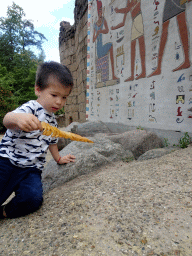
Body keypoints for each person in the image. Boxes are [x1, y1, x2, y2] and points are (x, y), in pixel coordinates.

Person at [0, 61, 76, 219]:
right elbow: (7, 119)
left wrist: (59, 158)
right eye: (54, 95)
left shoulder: (53, 121)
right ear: (38, 89)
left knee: (33, 199)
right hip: (7, 161)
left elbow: (52, 142)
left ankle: (4, 211)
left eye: (64, 97)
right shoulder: (30, 108)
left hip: (31, 170)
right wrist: (18, 118)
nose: (59, 102)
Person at [148, 0, 192, 77]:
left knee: (182, 25)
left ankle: (187, 60)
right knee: (165, 31)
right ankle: (158, 67)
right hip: (169, 2)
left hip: (177, 1)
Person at [111, 0, 146, 81]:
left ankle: (143, 71)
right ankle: (132, 75)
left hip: (138, 18)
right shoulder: (128, 1)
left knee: (140, 44)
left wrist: (118, 10)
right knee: (133, 47)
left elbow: (128, 9)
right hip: (135, 21)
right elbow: (123, 22)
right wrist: (114, 28)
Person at [93, 0, 118, 81]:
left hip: (102, 45)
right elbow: (93, 39)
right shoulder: (94, 24)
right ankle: (113, 75)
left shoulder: (103, 20)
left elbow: (107, 30)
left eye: (102, 10)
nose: (101, 12)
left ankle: (113, 75)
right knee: (110, 46)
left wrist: (101, 31)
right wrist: (97, 33)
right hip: (99, 49)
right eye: (100, 11)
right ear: (98, 12)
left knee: (111, 45)